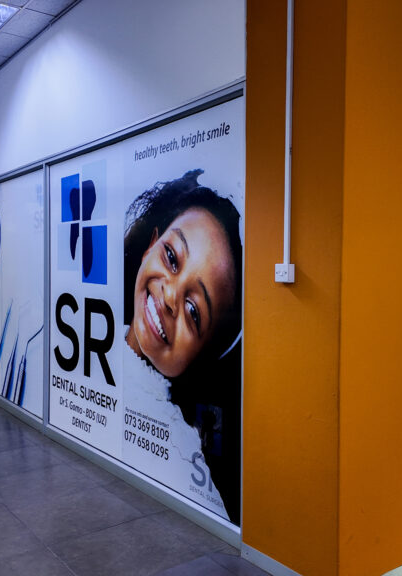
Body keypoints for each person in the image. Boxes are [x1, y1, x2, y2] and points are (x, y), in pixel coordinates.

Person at [122, 169, 242, 523]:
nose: (171, 296)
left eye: (194, 311)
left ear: (204, 355)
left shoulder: (187, 446)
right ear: (150, 246)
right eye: (172, 258)